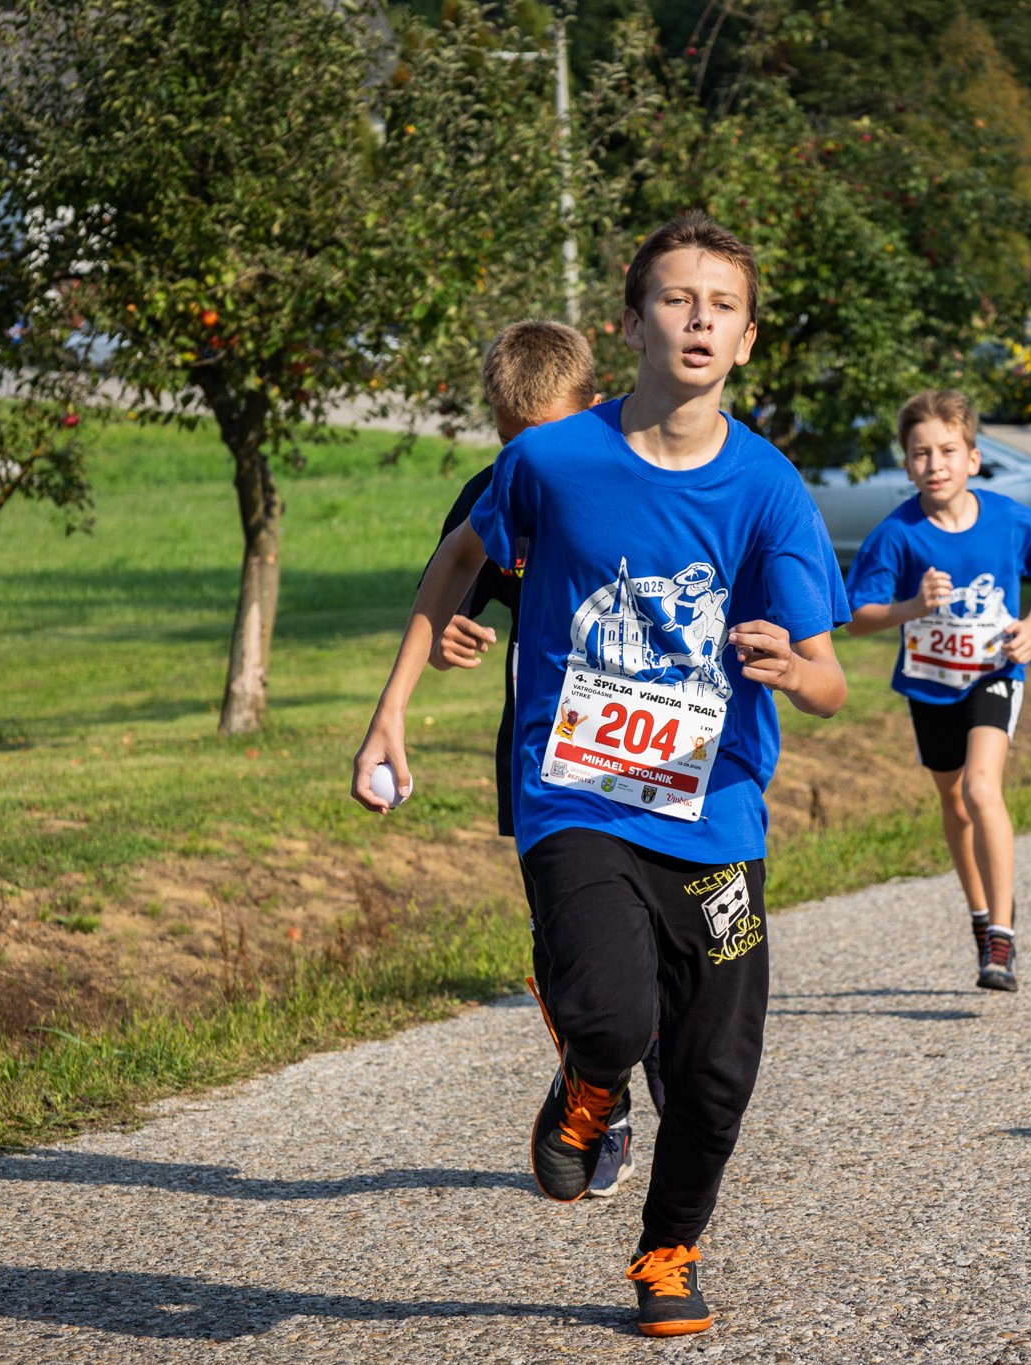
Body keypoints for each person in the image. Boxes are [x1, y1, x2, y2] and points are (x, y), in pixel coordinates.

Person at [353, 212, 849, 1338]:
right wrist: (391, 712)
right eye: (676, 299)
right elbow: (460, 557)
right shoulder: (549, 460)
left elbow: (828, 681)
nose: (698, 321)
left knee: (716, 1070)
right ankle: (591, 1080)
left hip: (713, 808)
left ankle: (669, 1251)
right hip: (574, 788)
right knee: (614, 1009)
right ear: (630, 323)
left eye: (722, 307)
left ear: (747, 340)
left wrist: (794, 667)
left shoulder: (768, 489)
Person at [427, 318, 656, 1200]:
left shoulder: (639, 477)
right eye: (511, 439)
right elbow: (447, 590)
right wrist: (449, 634)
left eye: (547, 438)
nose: (529, 460)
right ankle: (604, 1096)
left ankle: (647, 1048)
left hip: (655, 744)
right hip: (543, 752)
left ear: (593, 409)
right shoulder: (497, 487)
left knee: (653, 934)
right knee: (570, 942)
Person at [843, 389, 1031, 992]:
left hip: (994, 674)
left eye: (947, 451)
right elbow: (856, 616)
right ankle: (980, 914)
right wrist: (912, 607)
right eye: (921, 453)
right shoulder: (897, 534)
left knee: (980, 786)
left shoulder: (1008, 519)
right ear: (906, 464)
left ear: (973, 458)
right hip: (930, 684)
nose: (934, 464)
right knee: (954, 800)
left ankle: (1003, 933)